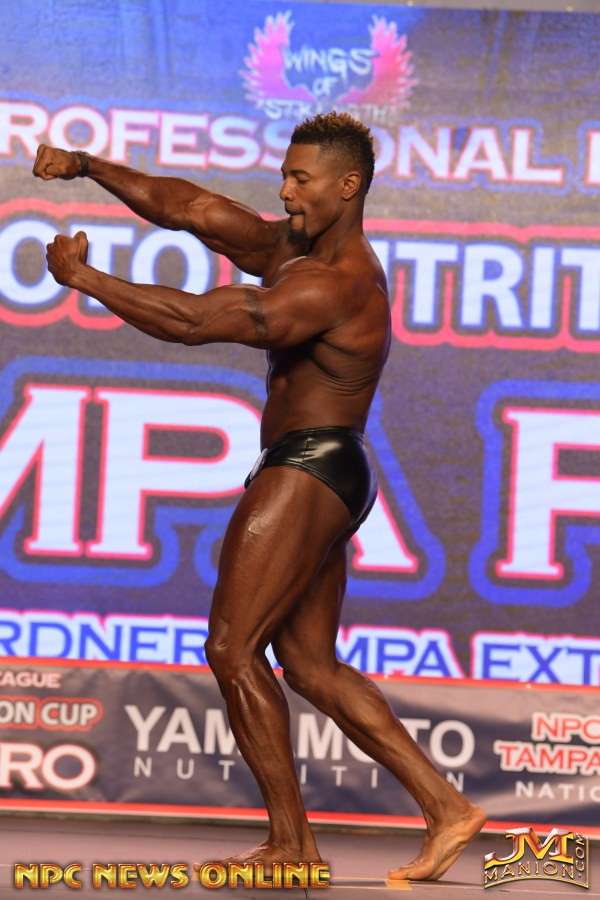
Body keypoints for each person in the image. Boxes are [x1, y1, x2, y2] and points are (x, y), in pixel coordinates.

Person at [33, 111, 485, 881]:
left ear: (348, 186)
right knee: (308, 664)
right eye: (284, 176)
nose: (285, 192)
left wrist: (86, 280)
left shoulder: (337, 284)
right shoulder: (292, 248)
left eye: (300, 180)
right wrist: (87, 166)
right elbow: (191, 208)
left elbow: (194, 320)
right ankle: (447, 808)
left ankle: (291, 846)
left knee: (231, 647)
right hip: (323, 467)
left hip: (310, 466)